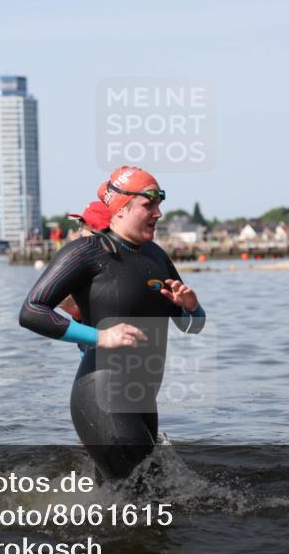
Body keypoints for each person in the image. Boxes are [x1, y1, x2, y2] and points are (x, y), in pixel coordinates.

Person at [19, 166, 206, 481]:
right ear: (121, 208)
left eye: (159, 204)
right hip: (101, 396)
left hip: (143, 400)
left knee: (127, 503)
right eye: (149, 205)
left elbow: (193, 326)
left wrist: (191, 307)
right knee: (154, 496)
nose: (158, 213)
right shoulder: (87, 252)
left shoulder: (157, 256)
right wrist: (99, 337)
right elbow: (31, 311)